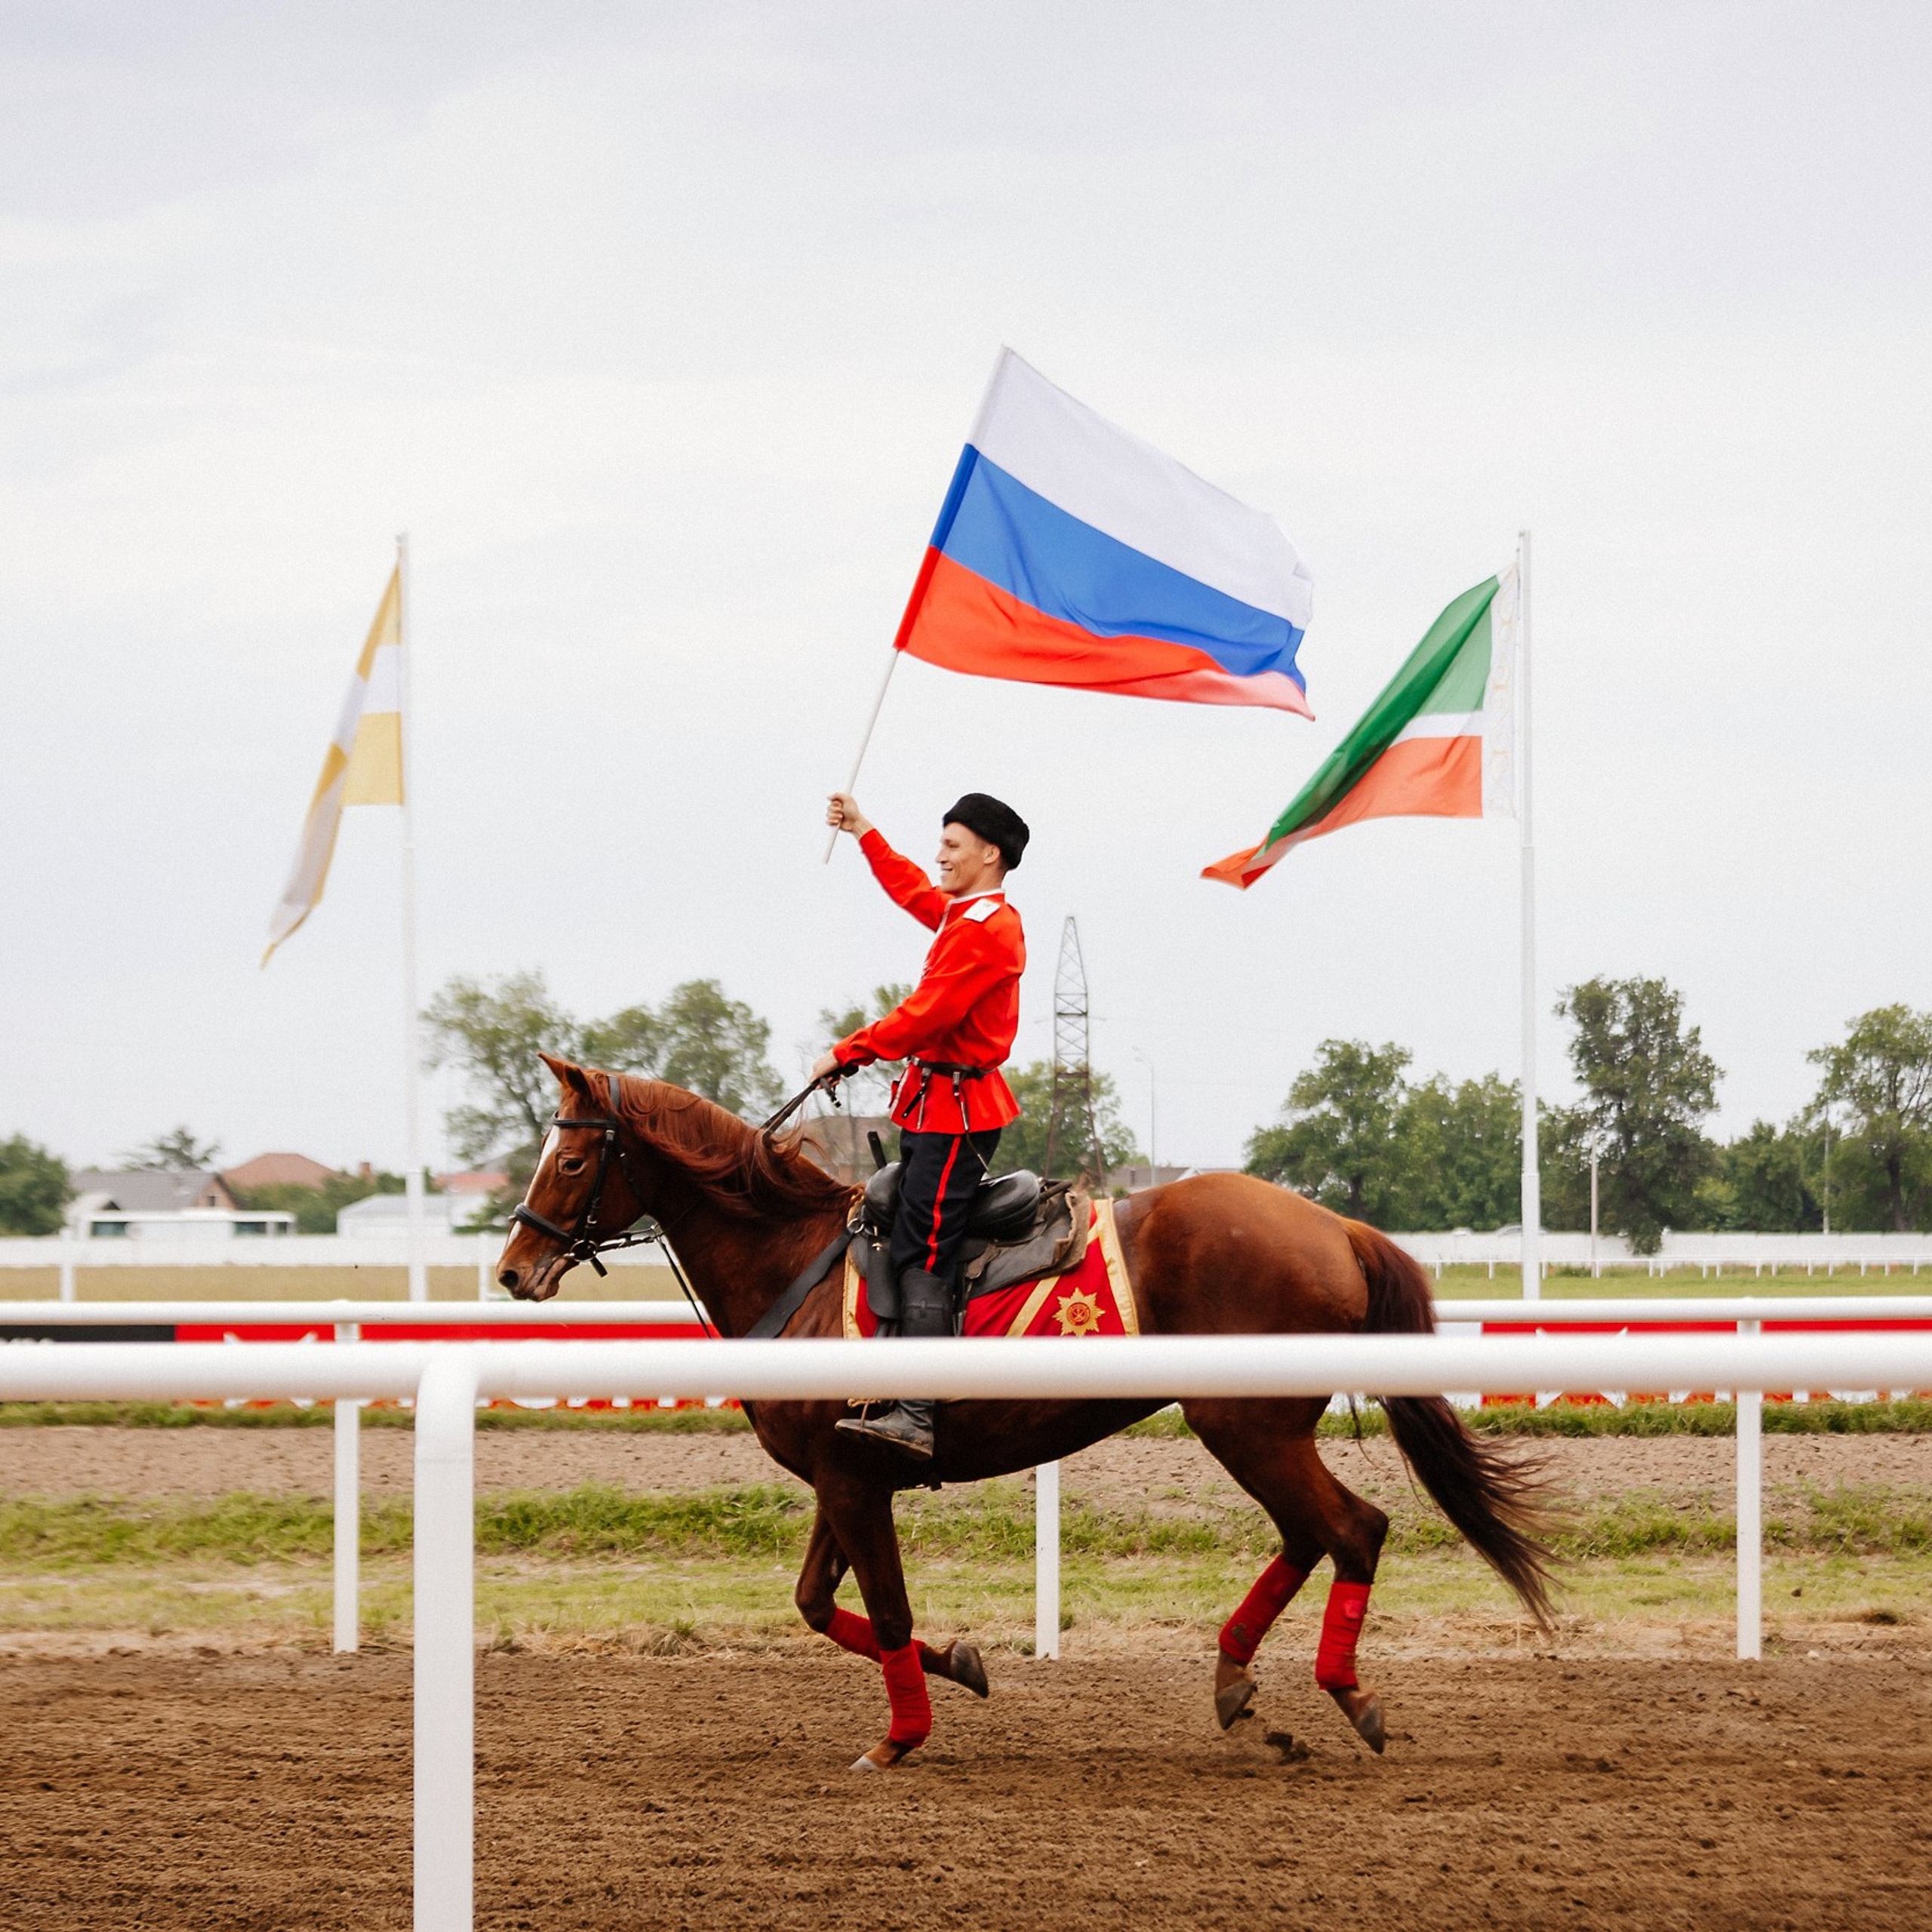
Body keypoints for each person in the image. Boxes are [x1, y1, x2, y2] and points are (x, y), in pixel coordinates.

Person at [815, 788, 1029, 1460]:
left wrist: (847, 1050)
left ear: (989, 855)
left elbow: (927, 1016)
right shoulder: (965, 915)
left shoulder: (990, 929)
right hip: (935, 1106)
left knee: (923, 1248)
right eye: (941, 842)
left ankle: (917, 1412)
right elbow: (913, 889)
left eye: (953, 845)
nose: (940, 854)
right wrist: (864, 831)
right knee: (905, 1227)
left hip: (957, 1116)